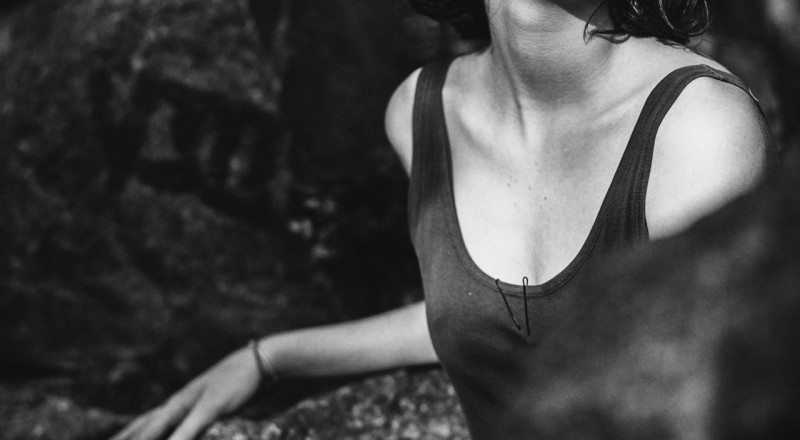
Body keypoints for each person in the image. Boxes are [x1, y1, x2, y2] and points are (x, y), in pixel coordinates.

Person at [112, 1, 774, 439]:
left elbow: (715, 394)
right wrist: (270, 358)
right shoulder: (419, 112)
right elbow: (483, 319)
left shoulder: (698, 128)